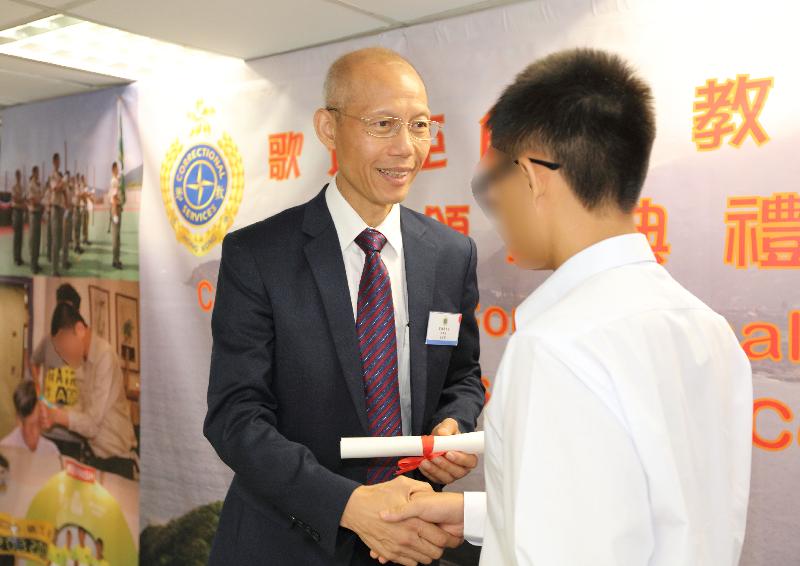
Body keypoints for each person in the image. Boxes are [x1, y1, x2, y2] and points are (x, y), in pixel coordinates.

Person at [376, 49, 753, 566]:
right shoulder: (707, 329)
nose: (495, 213)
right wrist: (480, 515)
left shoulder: (557, 349)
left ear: (532, 177)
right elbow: (648, 512)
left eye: (490, 187)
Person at [204, 47, 484, 566]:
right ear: (328, 128)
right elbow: (235, 416)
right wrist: (349, 506)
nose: (406, 148)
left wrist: (454, 427)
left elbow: (462, 376)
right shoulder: (259, 255)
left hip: (413, 536)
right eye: (384, 124)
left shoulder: (450, 254)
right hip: (287, 541)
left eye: (420, 125)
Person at [44, 302, 137, 479]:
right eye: (59, 351)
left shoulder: (105, 355)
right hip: (97, 458)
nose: (64, 356)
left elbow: (92, 425)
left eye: (64, 347)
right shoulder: (83, 363)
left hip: (117, 462)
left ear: (79, 330)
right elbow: (81, 410)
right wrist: (54, 411)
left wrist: (57, 416)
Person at [0, 380, 60, 456]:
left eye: (36, 425)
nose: (32, 436)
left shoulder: (51, 451)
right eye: (30, 426)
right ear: (18, 419)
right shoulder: (5, 449)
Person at [48, 153, 66, 277]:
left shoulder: (59, 176)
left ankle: (57, 266)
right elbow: (56, 189)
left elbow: (64, 190)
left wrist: (63, 183)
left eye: (60, 160)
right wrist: (63, 182)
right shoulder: (53, 175)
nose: (59, 162)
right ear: (54, 161)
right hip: (54, 208)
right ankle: (54, 270)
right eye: (57, 160)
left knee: (59, 239)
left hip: (60, 208)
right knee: (55, 240)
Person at [28, 166, 44, 274]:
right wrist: (40, 202)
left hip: (38, 213)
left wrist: (40, 201)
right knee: (34, 240)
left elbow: (40, 197)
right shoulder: (31, 185)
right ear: (33, 172)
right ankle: (33, 266)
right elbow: (33, 200)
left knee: (37, 240)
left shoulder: (37, 185)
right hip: (34, 214)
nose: (38, 174)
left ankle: (36, 263)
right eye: (37, 172)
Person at [11, 169, 26, 266]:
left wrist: (20, 199)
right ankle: (16, 258)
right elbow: (15, 199)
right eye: (17, 175)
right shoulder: (14, 187)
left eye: (19, 175)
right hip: (16, 212)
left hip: (21, 212)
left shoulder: (21, 187)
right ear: (15, 176)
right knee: (16, 236)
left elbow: (22, 198)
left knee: (21, 237)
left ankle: (20, 257)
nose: (19, 177)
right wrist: (21, 199)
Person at [109, 162, 122, 269]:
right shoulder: (114, 181)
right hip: (115, 209)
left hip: (118, 208)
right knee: (115, 238)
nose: (118, 170)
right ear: (113, 169)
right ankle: (115, 261)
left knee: (117, 237)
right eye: (117, 168)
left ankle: (117, 259)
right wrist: (114, 214)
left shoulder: (116, 180)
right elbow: (113, 198)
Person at [61, 170, 74, 270]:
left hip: (68, 214)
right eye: (67, 177)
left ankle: (66, 260)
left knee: (67, 239)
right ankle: (63, 262)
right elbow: (64, 202)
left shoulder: (68, 188)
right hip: (64, 214)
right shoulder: (63, 188)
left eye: (68, 177)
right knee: (64, 239)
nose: (68, 179)